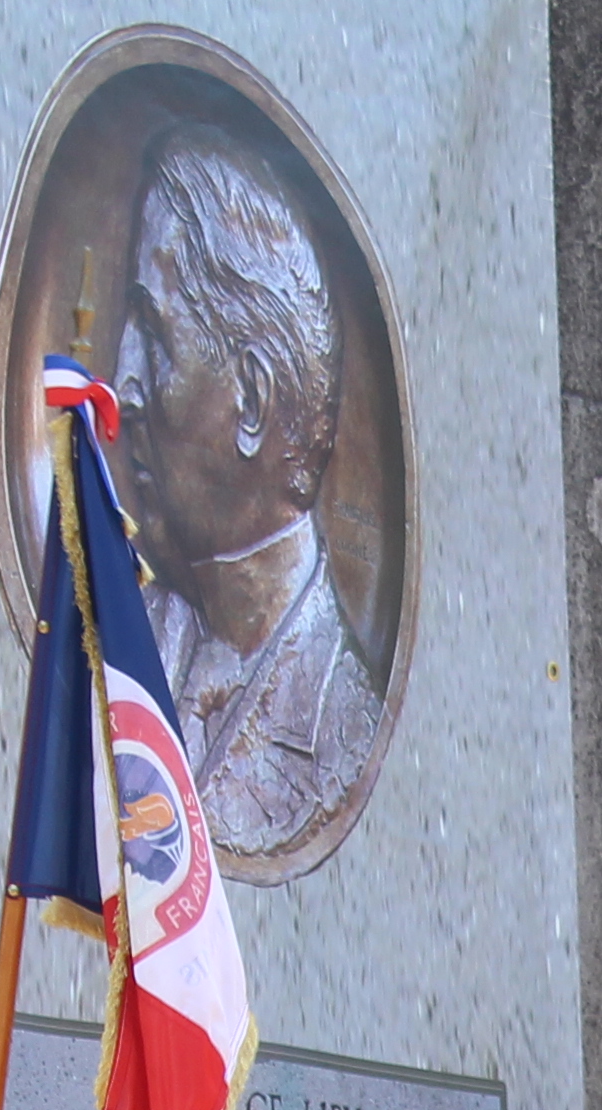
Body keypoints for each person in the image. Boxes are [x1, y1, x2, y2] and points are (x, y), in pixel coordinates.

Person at [112, 121, 391, 869]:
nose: (122, 383)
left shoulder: (342, 727)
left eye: (154, 334)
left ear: (254, 400)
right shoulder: (120, 644)